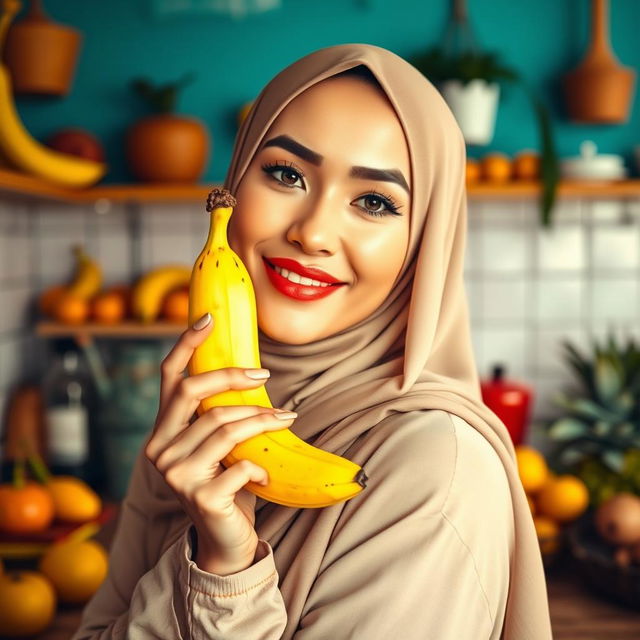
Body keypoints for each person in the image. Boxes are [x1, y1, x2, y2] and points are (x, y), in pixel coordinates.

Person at [73, 44, 552, 639]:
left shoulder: (434, 468)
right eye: (285, 174)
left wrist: (226, 575)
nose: (313, 232)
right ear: (235, 182)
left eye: (375, 201)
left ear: (424, 243)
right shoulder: (198, 416)